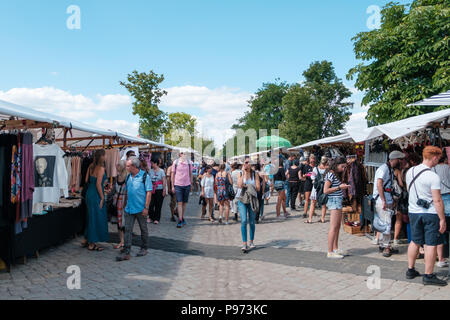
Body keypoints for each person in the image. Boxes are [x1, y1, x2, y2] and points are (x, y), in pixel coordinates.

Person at [405, 146, 447, 286]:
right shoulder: (433, 176)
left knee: (415, 241)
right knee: (430, 244)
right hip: (430, 213)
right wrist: (442, 219)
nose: (438, 161)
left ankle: (410, 269)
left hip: (414, 211)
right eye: (438, 158)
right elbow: (437, 200)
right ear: (434, 157)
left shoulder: (410, 171)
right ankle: (428, 275)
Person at [116, 157, 152, 261]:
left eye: (128, 166)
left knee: (143, 229)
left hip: (141, 208)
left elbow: (149, 192)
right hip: (129, 208)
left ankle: (144, 248)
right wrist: (125, 204)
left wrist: (146, 207)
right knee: (127, 229)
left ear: (134, 166)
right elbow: (127, 192)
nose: (126, 167)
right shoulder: (128, 177)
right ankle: (127, 251)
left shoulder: (145, 176)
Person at [373, 151, 405, 258]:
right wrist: (383, 200)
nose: (400, 162)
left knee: (384, 223)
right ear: (395, 159)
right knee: (387, 224)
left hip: (386, 199)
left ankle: (383, 244)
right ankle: (386, 246)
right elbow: (379, 184)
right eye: (399, 160)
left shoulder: (388, 169)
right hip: (383, 200)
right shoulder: (384, 169)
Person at [81, 149, 110, 251]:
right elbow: (98, 184)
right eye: (105, 155)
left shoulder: (91, 166)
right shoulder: (101, 168)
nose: (106, 157)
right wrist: (102, 197)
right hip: (96, 194)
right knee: (96, 217)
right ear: (101, 156)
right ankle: (91, 243)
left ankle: (86, 239)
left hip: (89, 192)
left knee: (90, 216)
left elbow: (86, 180)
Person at [324, 156, 350, 259]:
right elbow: (325, 190)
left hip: (337, 200)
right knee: (333, 227)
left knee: (337, 226)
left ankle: (335, 248)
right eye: (342, 166)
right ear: (336, 165)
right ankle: (330, 251)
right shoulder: (330, 174)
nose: (343, 169)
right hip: (334, 201)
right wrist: (339, 187)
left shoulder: (334, 174)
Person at [238, 158, 261, 253]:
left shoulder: (254, 174)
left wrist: (250, 186)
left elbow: (258, 188)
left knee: (251, 221)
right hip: (242, 199)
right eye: (245, 162)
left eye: (249, 162)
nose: (247, 164)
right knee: (243, 220)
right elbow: (239, 185)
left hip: (252, 200)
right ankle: (244, 243)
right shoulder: (240, 173)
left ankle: (251, 241)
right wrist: (243, 173)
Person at [434, 153, 450, 268]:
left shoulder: (432, 169)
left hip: (437, 197)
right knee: (448, 223)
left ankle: (441, 253)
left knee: (440, 226)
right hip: (447, 196)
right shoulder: (447, 167)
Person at [171, 152, 193, 228]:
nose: (184, 154)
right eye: (182, 153)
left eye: (185, 153)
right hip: (178, 185)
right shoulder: (176, 162)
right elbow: (172, 174)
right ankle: (180, 220)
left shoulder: (189, 163)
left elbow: (190, 174)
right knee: (179, 203)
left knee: (184, 203)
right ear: (180, 154)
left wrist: (191, 184)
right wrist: (172, 186)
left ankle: (182, 217)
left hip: (187, 185)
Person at [112, 160, 127, 250]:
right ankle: (121, 241)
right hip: (117, 200)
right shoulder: (117, 177)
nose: (116, 167)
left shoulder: (127, 177)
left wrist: (126, 203)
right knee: (119, 221)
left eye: (118, 165)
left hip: (124, 200)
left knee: (124, 221)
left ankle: (124, 241)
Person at [308, 156, 328, 224]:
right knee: (323, 203)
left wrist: (315, 181)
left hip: (316, 188)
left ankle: (310, 219)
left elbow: (312, 177)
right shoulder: (328, 169)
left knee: (313, 203)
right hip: (324, 187)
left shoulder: (315, 168)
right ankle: (322, 218)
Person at [148, 158, 167, 225]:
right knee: (150, 204)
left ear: (156, 163)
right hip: (151, 189)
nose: (151, 165)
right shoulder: (150, 171)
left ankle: (156, 218)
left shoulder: (161, 171)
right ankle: (151, 216)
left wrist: (164, 189)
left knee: (158, 204)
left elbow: (164, 180)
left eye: (152, 163)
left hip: (159, 189)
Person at [302, 155, 315, 220]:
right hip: (308, 183)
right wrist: (311, 174)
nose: (312, 160)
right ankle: (305, 213)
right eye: (311, 159)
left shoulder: (316, 167)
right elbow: (304, 175)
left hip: (314, 184)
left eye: (313, 159)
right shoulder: (306, 167)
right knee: (307, 199)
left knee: (314, 199)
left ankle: (313, 211)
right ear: (309, 160)